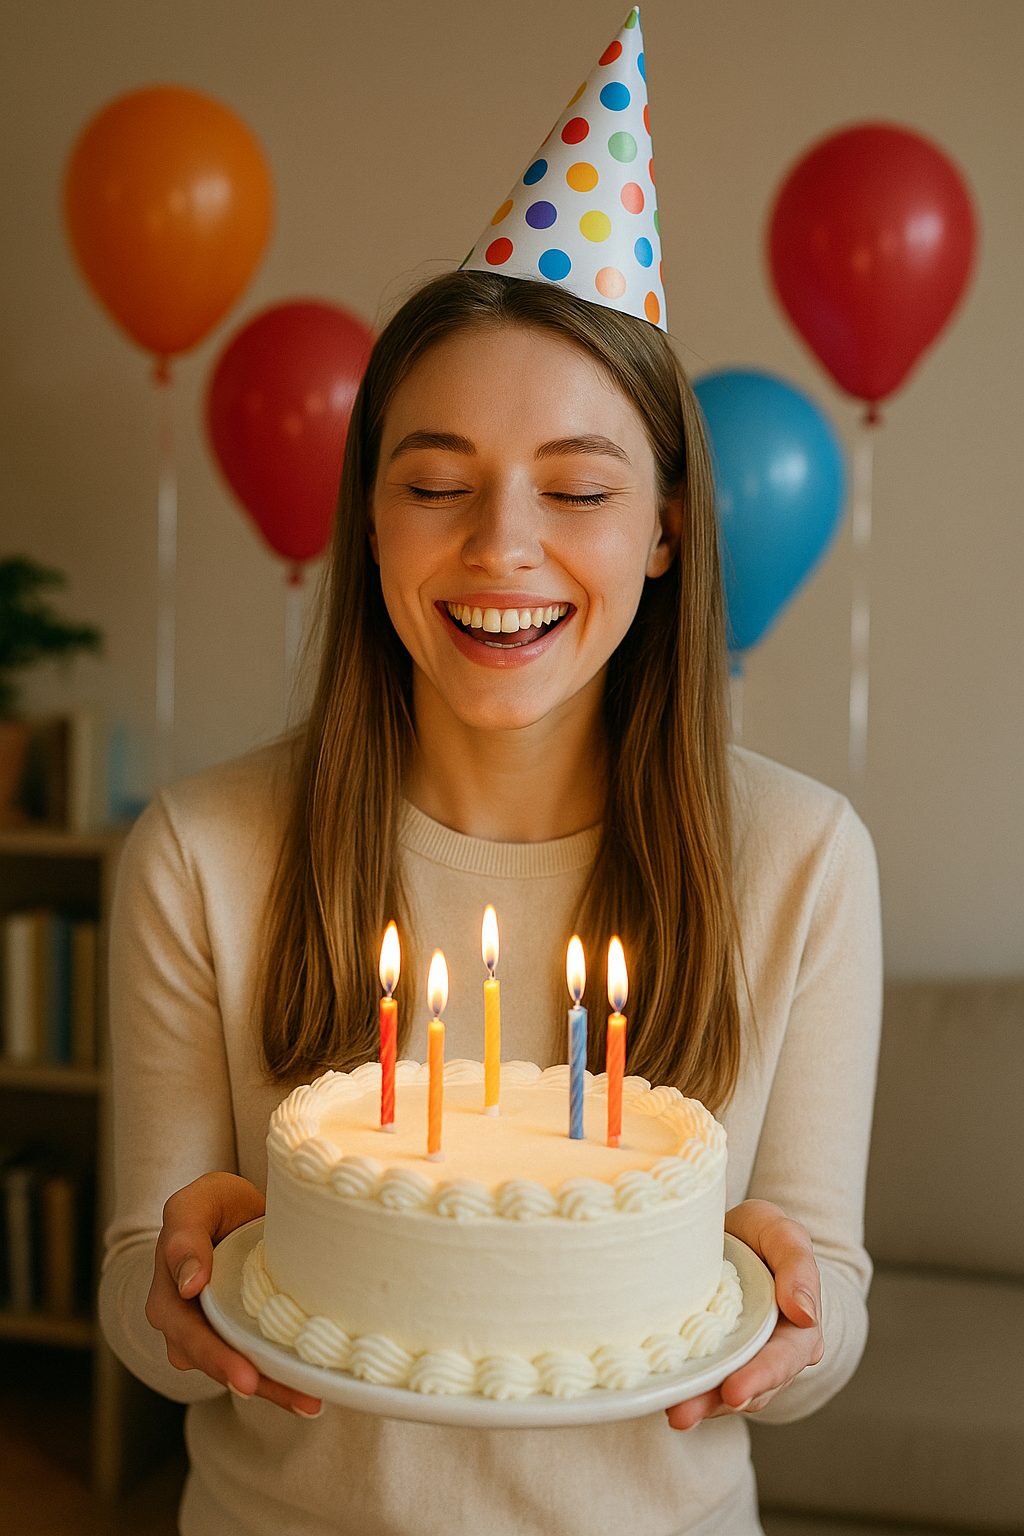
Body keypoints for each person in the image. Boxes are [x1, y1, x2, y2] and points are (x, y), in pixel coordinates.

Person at [99, 15, 882, 1536]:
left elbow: (824, 1306)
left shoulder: (802, 857)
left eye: (577, 490)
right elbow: (149, 1294)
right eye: (437, 482)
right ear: (370, 517)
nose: (501, 547)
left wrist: (801, 1319)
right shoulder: (203, 852)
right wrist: (176, 1288)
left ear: (666, 528)